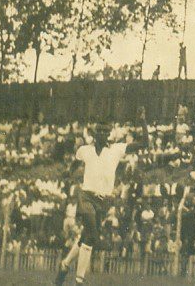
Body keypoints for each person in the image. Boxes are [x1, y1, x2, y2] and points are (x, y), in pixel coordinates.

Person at [55, 108, 150, 285]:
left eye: (106, 131)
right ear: (94, 133)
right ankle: (79, 280)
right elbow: (74, 164)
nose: (103, 134)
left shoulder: (117, 150)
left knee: (86, 237)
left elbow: (145, 144)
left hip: (103, 200)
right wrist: (68, 172)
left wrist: (143, 121)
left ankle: (65, 264)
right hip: (86, 197)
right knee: (92, 234)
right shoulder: (85, 150)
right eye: (100, 131)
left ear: (109, 134)